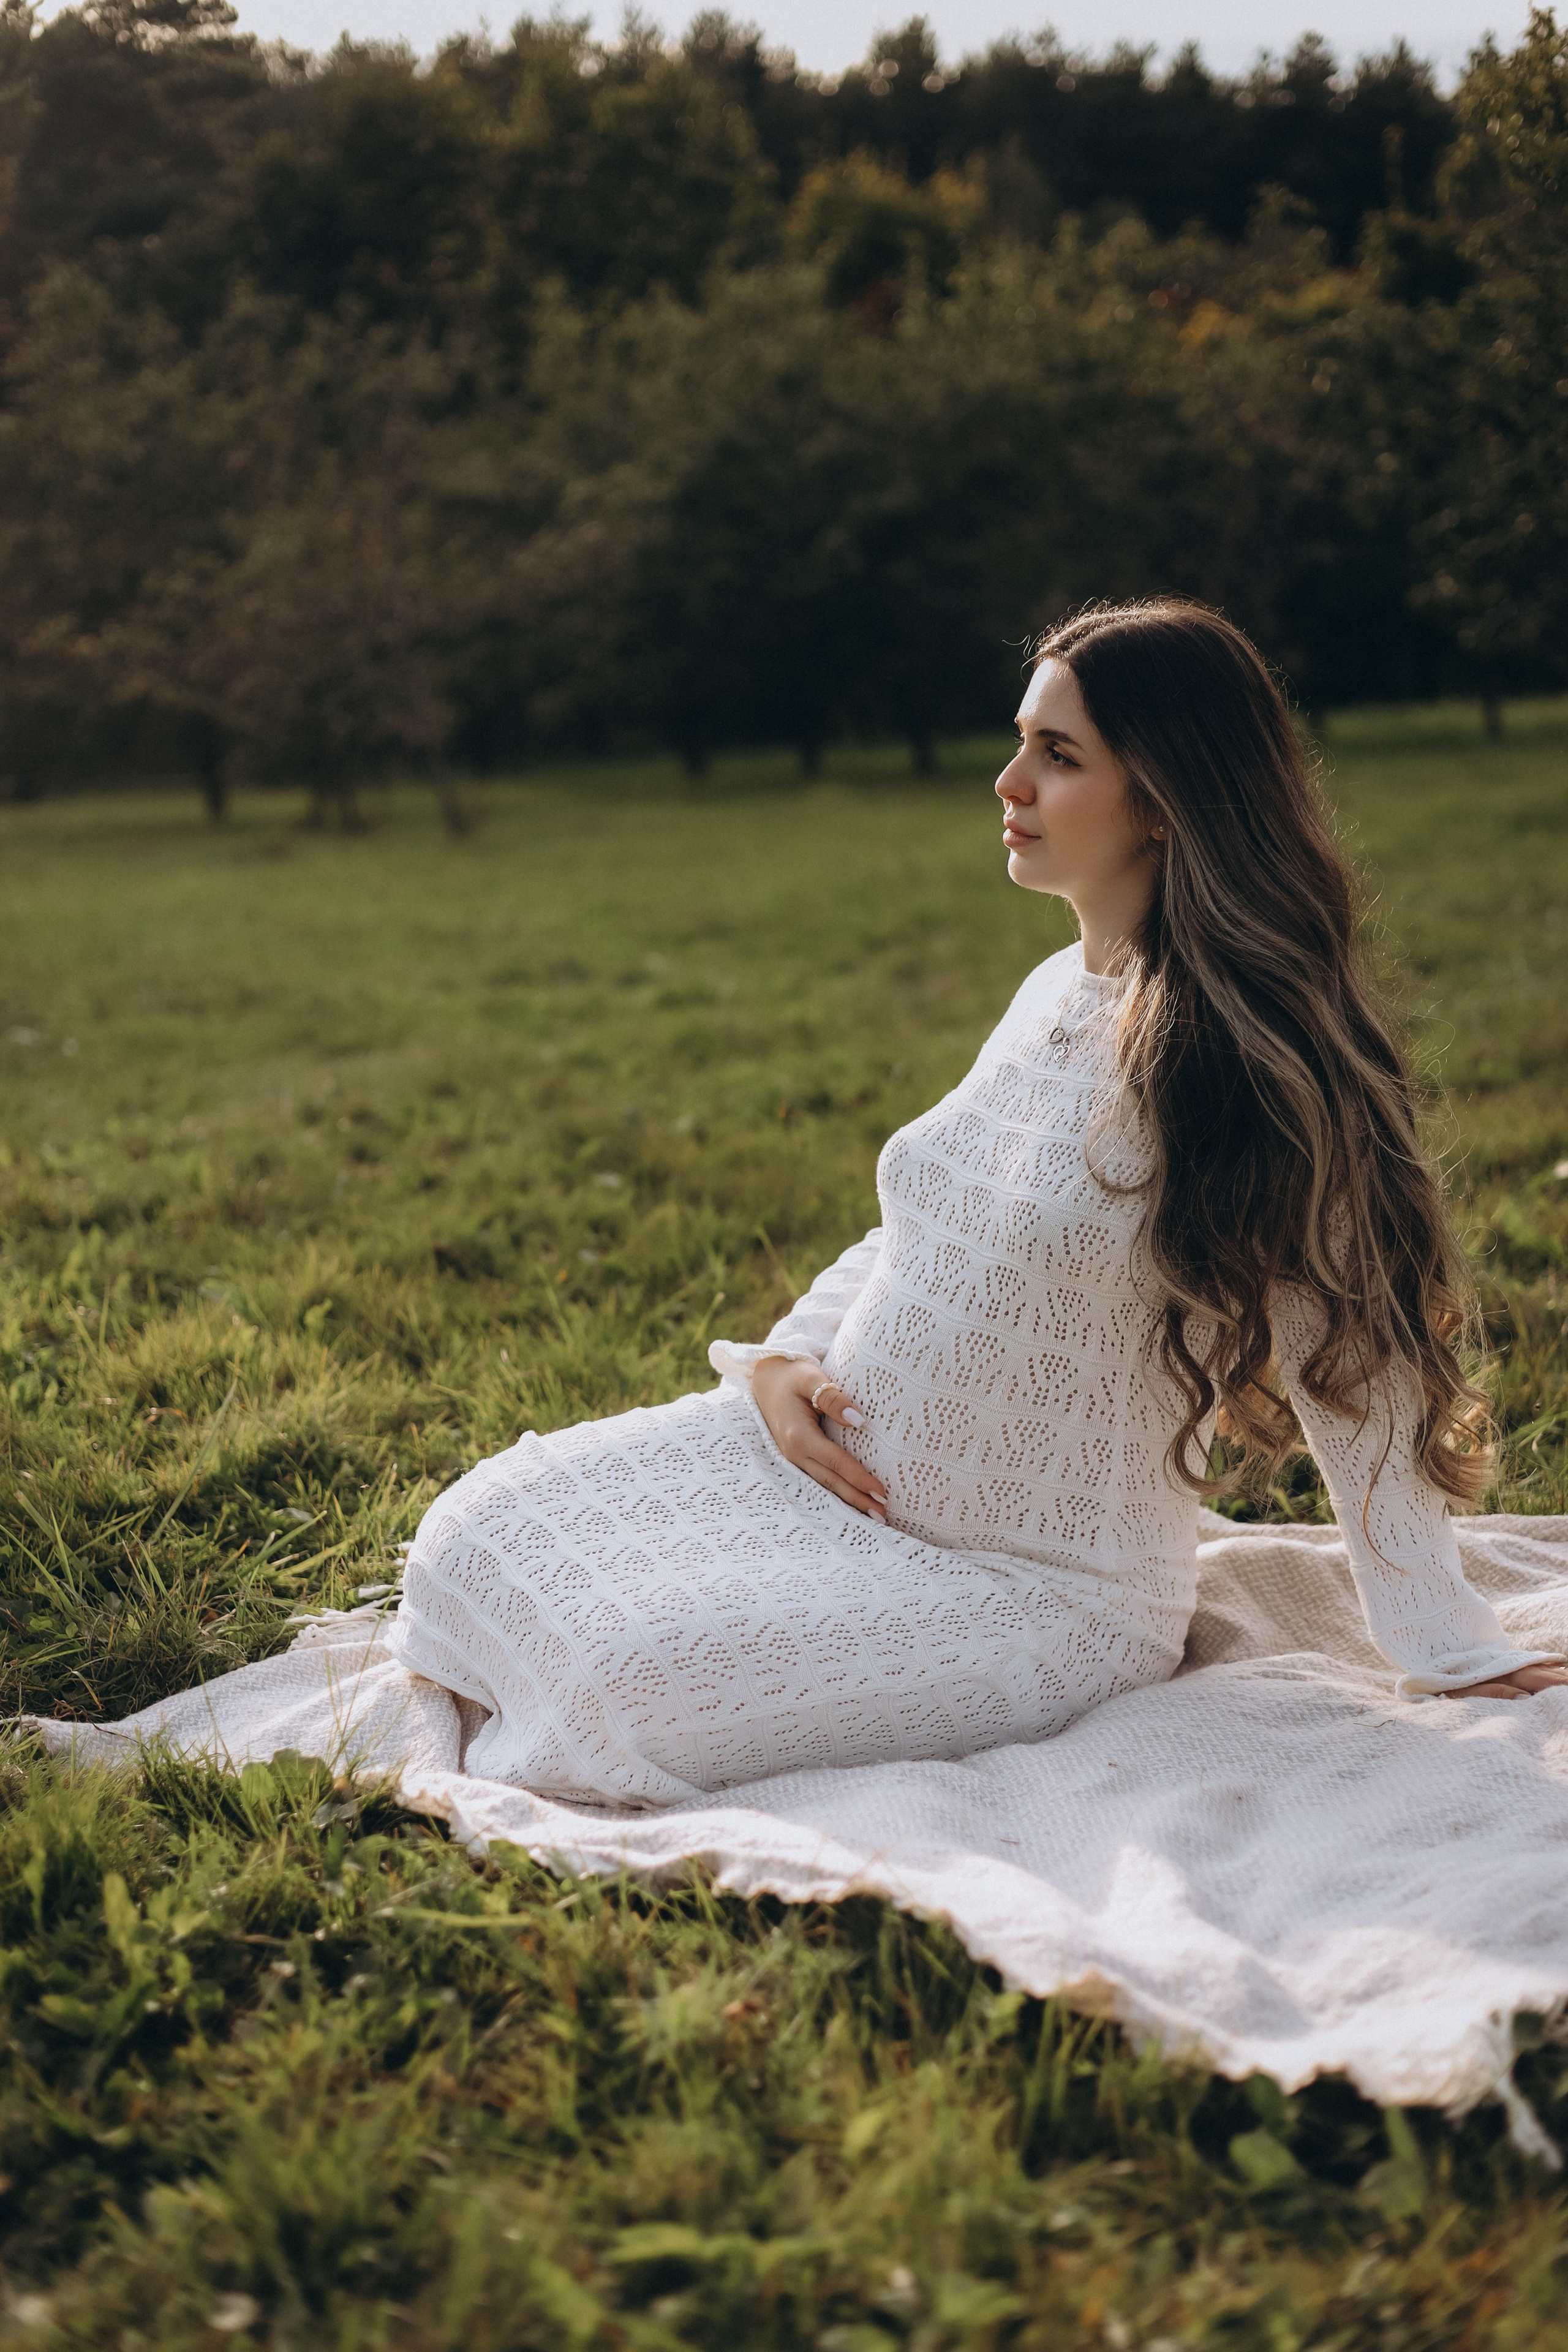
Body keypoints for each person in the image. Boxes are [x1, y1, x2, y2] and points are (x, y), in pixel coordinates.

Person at [388, 600, 1568, 1807]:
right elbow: (926, 1222)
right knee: (471, 1534)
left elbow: (1353, 1356)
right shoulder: (1052, 989)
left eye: (1056, 757)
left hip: (1031, 1593)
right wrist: (783, 1365)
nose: (1007, 781)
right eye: (1021, 742)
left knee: (613, 1691)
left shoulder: (1248, 1064)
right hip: (820, 1473)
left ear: (1163, 799)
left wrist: (1444, 1639)